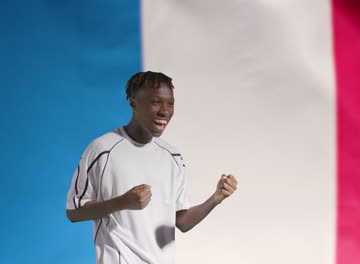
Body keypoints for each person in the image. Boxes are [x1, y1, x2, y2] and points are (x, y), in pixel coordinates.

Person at [65, 71, 238, 264]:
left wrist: (215, 199)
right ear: (133, 102)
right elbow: (74, 212)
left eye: (170, 103)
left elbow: (181, 221)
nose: (164, 111)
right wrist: (122, 202)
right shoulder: (102, 150)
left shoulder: (172, 156)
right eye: (156, 102)